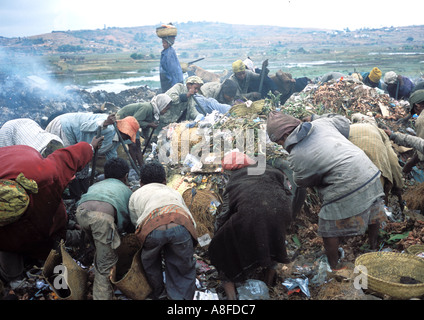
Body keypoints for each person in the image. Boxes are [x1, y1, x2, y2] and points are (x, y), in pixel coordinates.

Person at [266, 112, 387, 270]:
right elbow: (344, 124)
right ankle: (373, 245)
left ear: (286, 135)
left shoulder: (296, 155)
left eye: (279, 142)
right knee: (374, 208)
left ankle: (334, 266)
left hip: (348, 183)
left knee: (327, 227)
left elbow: (301, 182)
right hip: (369, 171)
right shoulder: (322, 123)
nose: (281, 146)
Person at [0, 136, 103, 287]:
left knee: (50, 234)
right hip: (8, 232)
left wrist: (91, 147)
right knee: (8, 245)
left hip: (24, 162)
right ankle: (14, 279)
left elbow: (69, 157)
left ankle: (55, 258)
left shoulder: (44, 178)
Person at [208, 155, 294, 300]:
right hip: (281, 212)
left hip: (253, 215)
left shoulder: (234, 182)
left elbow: (224, 214)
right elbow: (287, 191)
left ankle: (231, 298)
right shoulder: (270, 170)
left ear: (232, 170)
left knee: (219, 249)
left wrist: (217, 234)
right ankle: (268, 285)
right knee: (273, 239)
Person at [129, 161, 198, 300]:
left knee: (150, 264)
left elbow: (135, 224)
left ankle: (159, 294)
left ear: (141, 182)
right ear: (165, 181)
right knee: (182, 268)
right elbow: (188, 216)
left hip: (152, 227)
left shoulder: (136, 194)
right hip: (180, 224)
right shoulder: (172, 191)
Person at [46, 112, 142, 198]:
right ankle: (72, 195)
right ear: (123, 131)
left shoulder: (117, 140)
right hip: (66, 127)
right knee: (71, 162)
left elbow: (111, 157)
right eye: (128, 136)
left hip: (81, 140)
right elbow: (84, 127)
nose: (127, 139)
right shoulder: (108, 127)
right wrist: (104, 123)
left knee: (83, 166)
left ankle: (83, 192)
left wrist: (117, 176)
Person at [76, 157, 134, 300]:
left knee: (100, 246)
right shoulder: (127, 190)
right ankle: (102, 297)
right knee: (105, 266)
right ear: (126, 177)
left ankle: (97, 259)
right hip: (101, 220)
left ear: (105, 175)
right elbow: (128, 222)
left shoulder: (96, 185)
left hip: (81, 213)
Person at [398, 89, 424, 174]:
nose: (416, 114)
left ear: (418, 106)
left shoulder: (421, 120)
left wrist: (410, 163)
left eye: (415, 111)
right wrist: (405, 119)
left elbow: (421, 146)